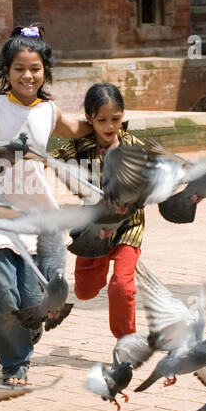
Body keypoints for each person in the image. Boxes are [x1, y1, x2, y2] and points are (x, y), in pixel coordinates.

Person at [0, 25, 88, 385]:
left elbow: (79, 129)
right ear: (6, 71)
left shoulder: (49, 110)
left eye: (35, 68)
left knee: (32, 296)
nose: (27, 75)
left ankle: (29, 329)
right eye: (19, 68)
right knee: (2, 295)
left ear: (45, 71)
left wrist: (112, 122)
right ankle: (15, 363)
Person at [52, 82, 144, 338]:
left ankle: (126, 342)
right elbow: (51, 159)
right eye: (101, 120)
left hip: (128, 227)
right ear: (89, 119)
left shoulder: (133, 147)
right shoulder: (80, 147)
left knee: (121, 287)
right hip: (92, 230)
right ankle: (99, 265)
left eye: (115, 119)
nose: (110, 126)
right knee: (85, 291)